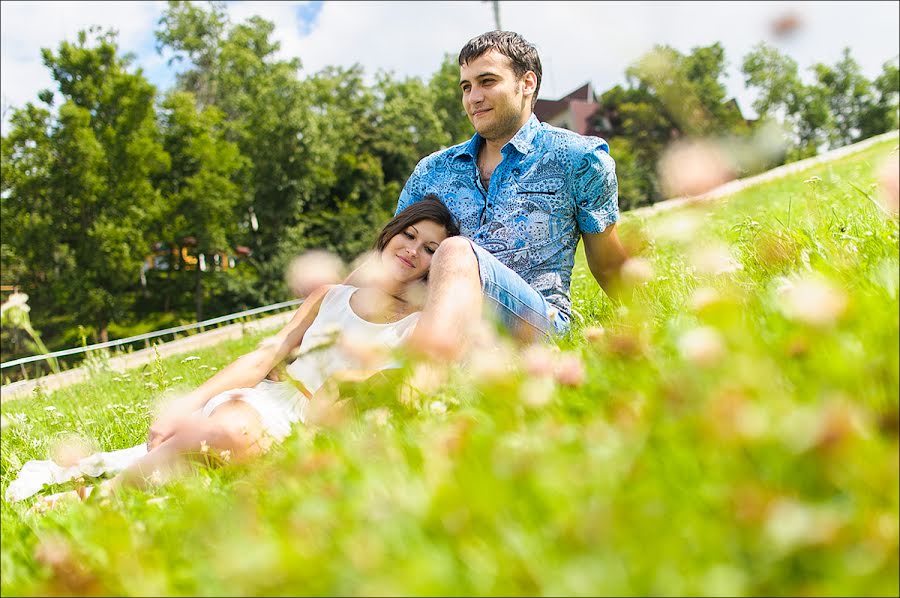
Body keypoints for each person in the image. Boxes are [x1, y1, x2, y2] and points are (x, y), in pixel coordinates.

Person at [14, 196, 459, 506]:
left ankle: (127, 483)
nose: (413, 250)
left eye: (430, 249)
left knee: (226, 465)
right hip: (267, 403)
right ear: (391, 233)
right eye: (409, 235)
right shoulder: (330, 296)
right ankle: (95, 498)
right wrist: (186, 404)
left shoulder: (417, 325)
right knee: (229, 433)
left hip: (320, 428)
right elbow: (265, 357)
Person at [397, 31, 629, 360]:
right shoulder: (431, 172)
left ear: (527, 83)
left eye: (487, 81)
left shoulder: (579, 158)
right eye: (466, 87)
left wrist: (653, 322)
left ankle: (420, 385)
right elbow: (391, 261)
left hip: (535, 328)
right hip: (445, 326)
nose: (473, 98)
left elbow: (608, 265)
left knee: (458, 252)